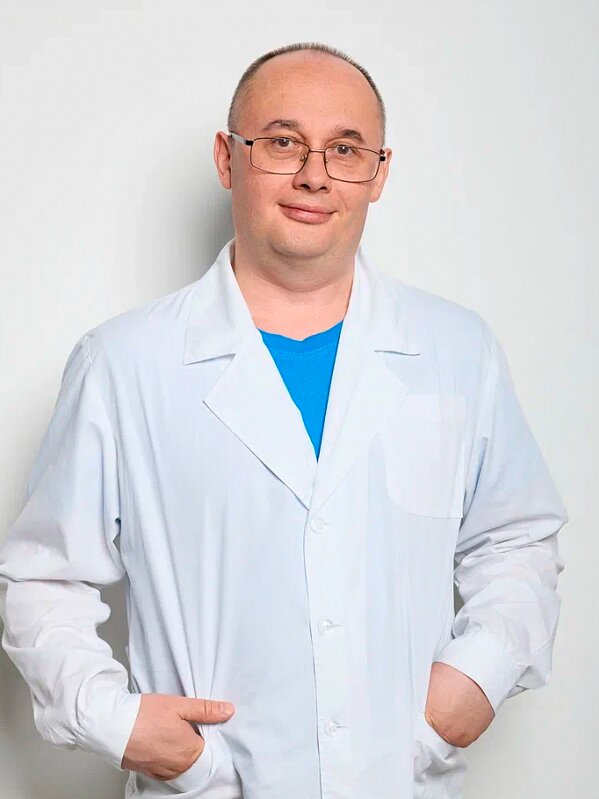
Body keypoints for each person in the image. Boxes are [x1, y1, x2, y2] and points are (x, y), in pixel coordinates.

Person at [0, 41, 569, 799]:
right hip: (212, 784)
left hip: (401, 779)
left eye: (346, 149)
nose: (314, 175)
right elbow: (44, 575)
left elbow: (517, 539)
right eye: (281, 142)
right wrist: (114, 721)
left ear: (379, 173)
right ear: (227, 158)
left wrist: (476, 679)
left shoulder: (456, 351)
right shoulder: (124, 363)